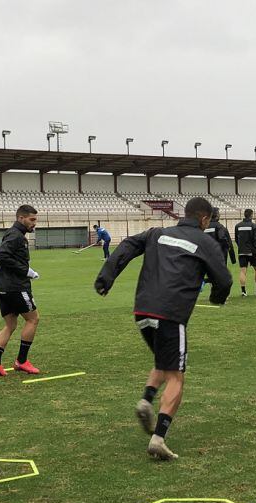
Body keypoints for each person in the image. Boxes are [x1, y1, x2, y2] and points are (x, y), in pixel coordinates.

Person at [94, 197, 232, 461]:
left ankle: (146, 400)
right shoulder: (205, 242)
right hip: (171, 314)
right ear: (204, 219)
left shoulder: (158, 233)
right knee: (177, 375)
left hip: (143, 310)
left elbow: (127, 245)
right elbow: (223, 279)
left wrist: (106, 277)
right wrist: (217, 297)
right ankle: (159, 438)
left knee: (164, 361)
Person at [0, 205, 41, 376]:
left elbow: (11, 257)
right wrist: (26, 271)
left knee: (10, 324)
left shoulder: (15, 234)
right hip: (15, 287)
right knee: (33, 319)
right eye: (31, 220)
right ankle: (22, 361)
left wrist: (27, 269)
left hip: (2, 287)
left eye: (35, 220)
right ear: (21, 218)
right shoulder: (16, 235)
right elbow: (1, 256)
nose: (34, 223)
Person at [235, 208, 256, 297]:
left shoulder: (237, 226)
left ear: (244, 215)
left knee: (243, 271)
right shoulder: (254, 226)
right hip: (252, 251)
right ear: (251, 215)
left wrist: (241, 247)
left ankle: (243, 292)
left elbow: (237, 239)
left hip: (241, 251)